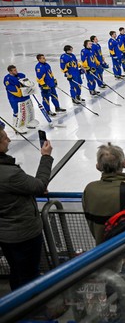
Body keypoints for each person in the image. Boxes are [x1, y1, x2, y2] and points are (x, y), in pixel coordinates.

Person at [0, 121, 53, 290]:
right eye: (4, 138)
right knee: (28, 273)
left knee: (17, 270)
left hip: (5, 233)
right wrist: (45, 157)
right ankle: (31, 308)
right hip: (22, 233)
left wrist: (26, 189)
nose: (9, 139)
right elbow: (39, 186)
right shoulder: (8, 173)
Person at [4, 65, 38, 132]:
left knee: (29, 110)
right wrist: (22, 92)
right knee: (17, 112)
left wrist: (29, 89)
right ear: (10, 71)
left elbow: (27, 83)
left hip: (25, 97)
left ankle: (28, 122)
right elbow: (11, 89)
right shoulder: (7, 79)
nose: (16, 71)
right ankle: (16, 126)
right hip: (15, 99)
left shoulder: (21, 75)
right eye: (14, 70)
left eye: (16, 69)